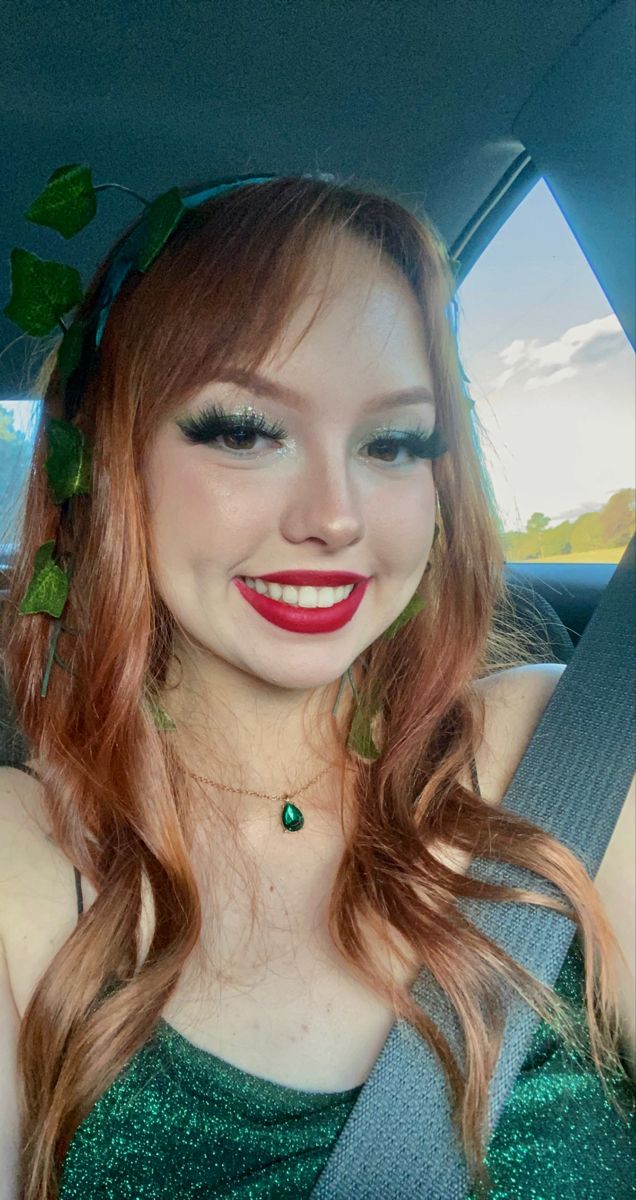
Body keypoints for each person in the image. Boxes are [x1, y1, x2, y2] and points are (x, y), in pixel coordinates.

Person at [0, 171, 634, 1200]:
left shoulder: (566, 759)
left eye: (393, 442)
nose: (335, 515)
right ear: (112, 465)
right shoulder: (24, 864)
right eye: (246, 430)